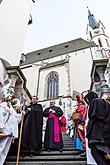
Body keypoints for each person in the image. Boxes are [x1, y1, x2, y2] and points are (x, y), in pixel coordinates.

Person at [84, 91, 110, 165]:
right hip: (105, 134)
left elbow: (94, 116)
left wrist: (88, 131)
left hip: (97, 134)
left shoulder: (95, 101)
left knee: (96, 153)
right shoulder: (106, 104)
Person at [0, 96, 22, 165]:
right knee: (1, 147)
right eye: (15, 101)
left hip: (11, 132)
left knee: (5, 151)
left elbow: (17, 122)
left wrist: (20, 114)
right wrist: (1, 128)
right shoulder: (4, 105)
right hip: (5, 130)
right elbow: (1, 116)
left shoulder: (13, 110)